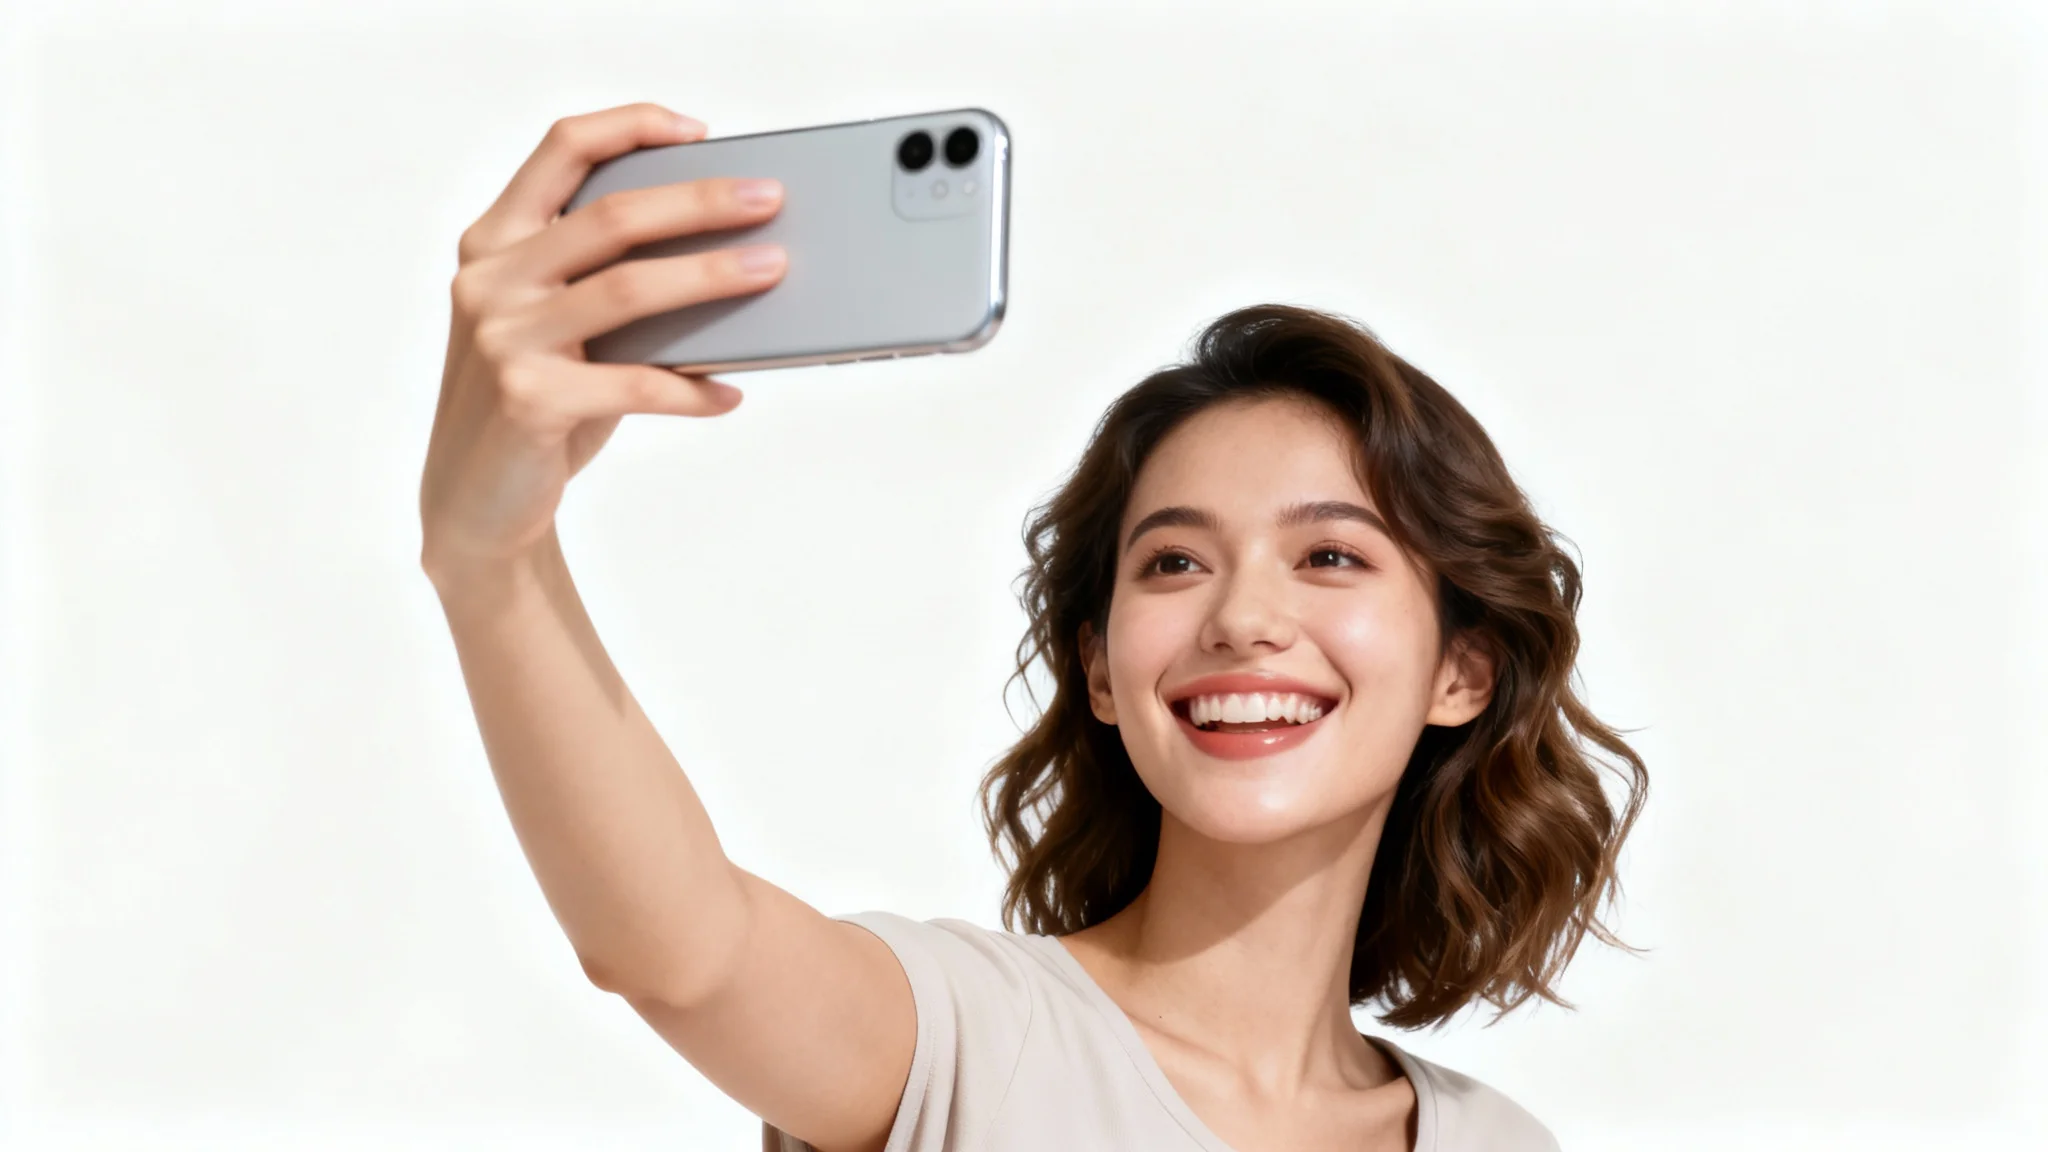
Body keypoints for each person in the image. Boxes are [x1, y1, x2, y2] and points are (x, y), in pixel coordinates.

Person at [420, 103, 1648, 1152]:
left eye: (1328, 554)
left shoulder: (1496, 1141)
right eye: (1173, 561)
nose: (1242, 618)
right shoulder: (969, 1041)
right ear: (1101, 669)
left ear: (1461, 669)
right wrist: (491, 559)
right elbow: (684, 954)